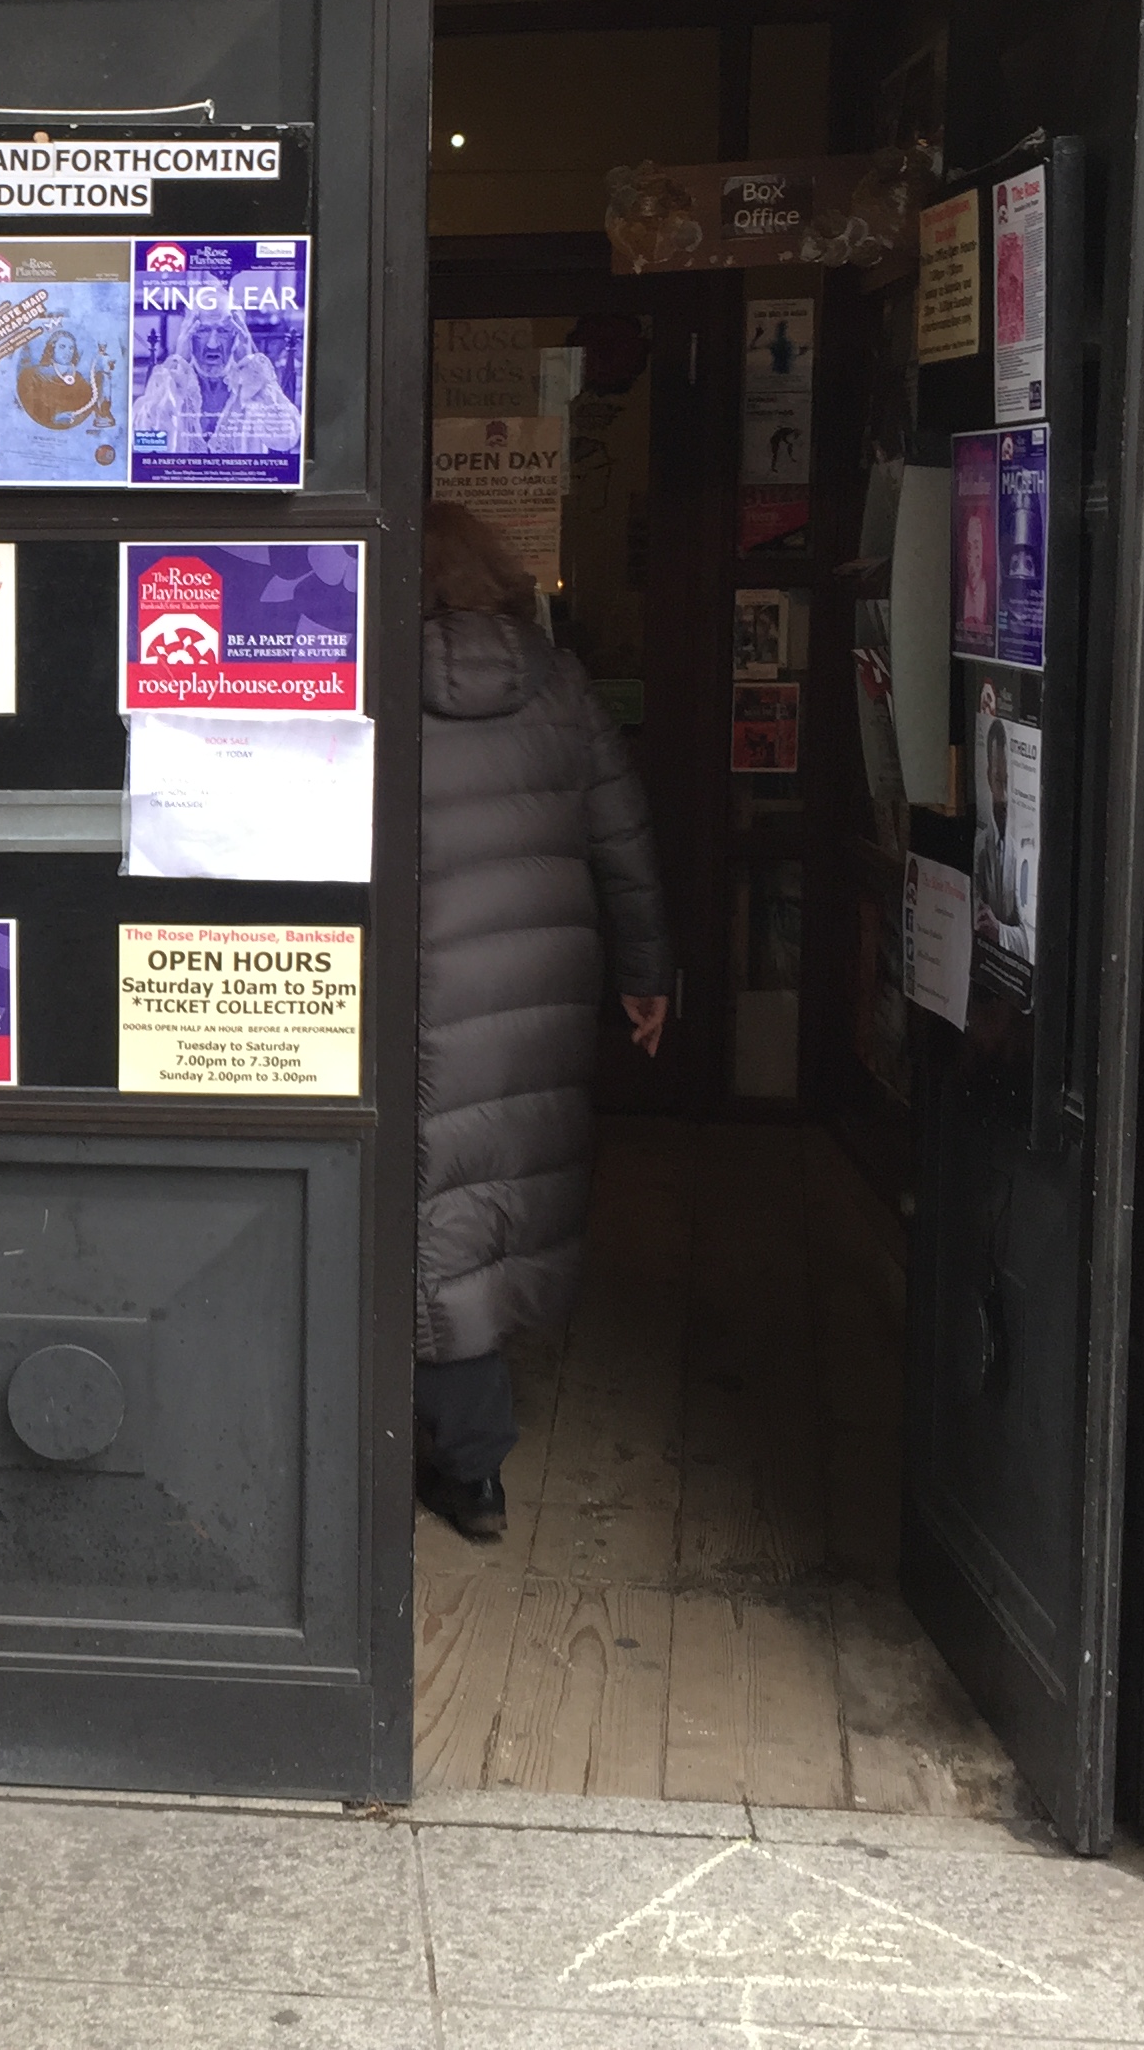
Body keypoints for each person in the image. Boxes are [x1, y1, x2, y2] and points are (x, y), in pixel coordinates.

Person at [415, 502, 673, 1545]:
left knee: (423, 1205)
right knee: (488, 1195)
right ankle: (475, 1471)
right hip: (538, 987)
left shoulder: (364, 672)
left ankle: (422, 1453)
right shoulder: (560, 685)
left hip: (411, 981)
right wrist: (648, 974)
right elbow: (625, 839)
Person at [132, 302, 301, 455]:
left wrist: (250, 362)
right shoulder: (170, 381)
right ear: (188, 335)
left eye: (224, 331)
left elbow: (285, 440)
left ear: (238, 336)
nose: (212, 344)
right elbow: (145, 444)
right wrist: (177, 365)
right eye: (203, 330)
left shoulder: (254, 381)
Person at [973, 715, 1031, 960]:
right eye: (999, 781)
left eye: (1008, 781)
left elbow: (1031, 941)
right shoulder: (981, 846)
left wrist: (999, 932)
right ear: (988, 777)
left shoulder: (1024, 850)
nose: (1004, 795)